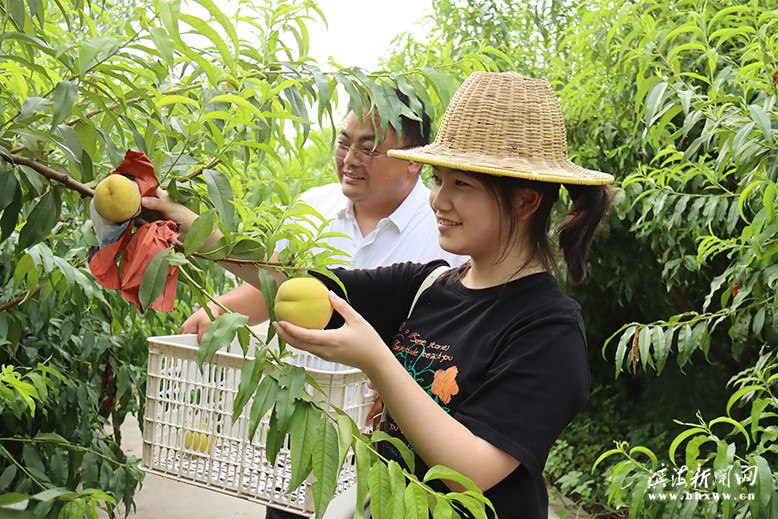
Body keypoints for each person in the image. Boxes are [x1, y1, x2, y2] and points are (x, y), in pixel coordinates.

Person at [143, 71, 614, 519]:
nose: (438, 200)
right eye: (439, 180)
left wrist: (376, 359)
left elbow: (472, 472)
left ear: (525, 203)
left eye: (462, 185)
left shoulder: (547, 328)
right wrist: (186, 222)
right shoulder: (428, 286)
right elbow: (295, 283)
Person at [181, 90, 465, 342]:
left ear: (414, 159)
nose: (350, 160)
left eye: (368, 150)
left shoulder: (446, 231)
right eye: (343, 144)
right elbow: (277, 289)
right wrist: (223, 308)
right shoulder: (311, 207)